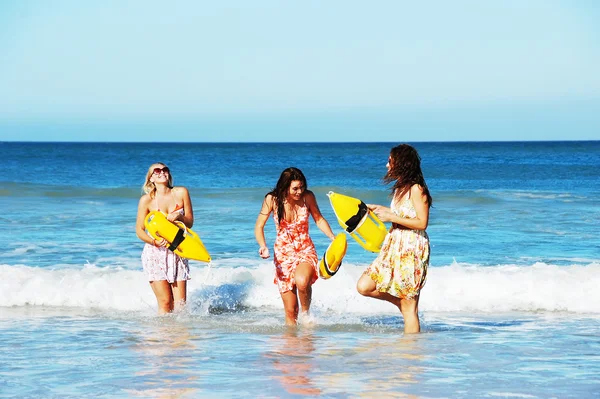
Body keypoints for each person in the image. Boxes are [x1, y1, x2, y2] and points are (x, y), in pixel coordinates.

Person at [356, 144, 432, 333]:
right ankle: (401, 303)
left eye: (390, 161)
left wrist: (391, 217)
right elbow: (403, 214)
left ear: (402, 163)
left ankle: (411, 355)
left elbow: (422, 223)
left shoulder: (417, 188)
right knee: (364, 285)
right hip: (395, 244)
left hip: (412, 247)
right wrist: (382, 210)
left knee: (410, 308)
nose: (387, 165)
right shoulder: (401, 189)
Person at [255, 167, 335, 326]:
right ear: (285, 187)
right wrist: (263, 246)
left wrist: (332, 237)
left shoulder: (307, 197)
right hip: (283, 254)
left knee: (302, 281)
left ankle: (307, 318)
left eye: (302, 187)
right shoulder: (272, 199)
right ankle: (293, 346)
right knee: (291, 312)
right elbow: (259, 226)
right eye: (295, 188)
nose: (300, 191)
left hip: (305, 248)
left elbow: (318, 219)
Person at [136, 163, 194, 314]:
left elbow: (190, 222)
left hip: (178, 250)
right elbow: (139, 230)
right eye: (157, 171)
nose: (162, 172)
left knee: (181, 305)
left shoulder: (181, 192)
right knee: (165, 302)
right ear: (151, 178)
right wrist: (154, 242)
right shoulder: (146, 200)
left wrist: (179, 216)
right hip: (156, 252)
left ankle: (179, 336)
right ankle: (163, 335)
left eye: (165, 169)